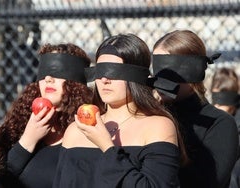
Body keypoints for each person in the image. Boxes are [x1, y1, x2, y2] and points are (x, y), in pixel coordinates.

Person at [53, 33, 187, 188]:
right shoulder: (76, 130)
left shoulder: (157, 127)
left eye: (114, 71)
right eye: (100, 70)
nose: (104, 80)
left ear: (135, 76)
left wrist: (107, 147)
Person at [0, 43, 93, 188]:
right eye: (44, 71)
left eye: (58, 71)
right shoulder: (19, 126)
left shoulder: (89, 131)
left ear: (75, 82)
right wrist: (28, 140)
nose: (48, 78)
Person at [150, 29, 239, 188]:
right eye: (158, 70)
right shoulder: (149, 115)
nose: (160, 79)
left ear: (194, 71)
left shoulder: (219, 124)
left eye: (170, 72)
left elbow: (205, 182)